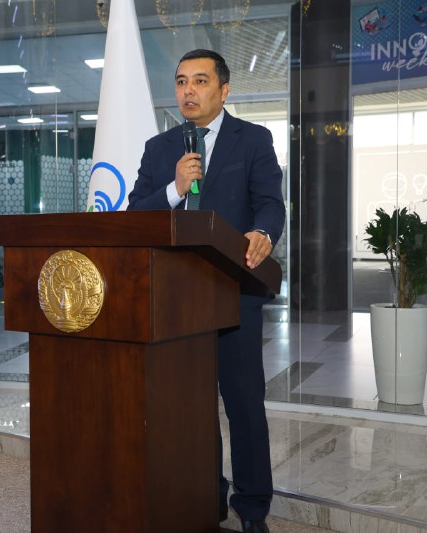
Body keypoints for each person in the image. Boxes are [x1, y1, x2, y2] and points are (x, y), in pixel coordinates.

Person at [127, 49, 285, 533]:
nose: (188, 91)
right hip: (175, 298)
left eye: (200, 81)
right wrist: (175, 189)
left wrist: (263, 232)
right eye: (181, 82)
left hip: (233, 291)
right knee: (191, 409)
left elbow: (270, 203)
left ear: (224, 89)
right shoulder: (159, 148)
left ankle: (252, 507)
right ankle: (205, 496)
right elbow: (135, 216)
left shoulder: (252, 139)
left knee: (243, 405)